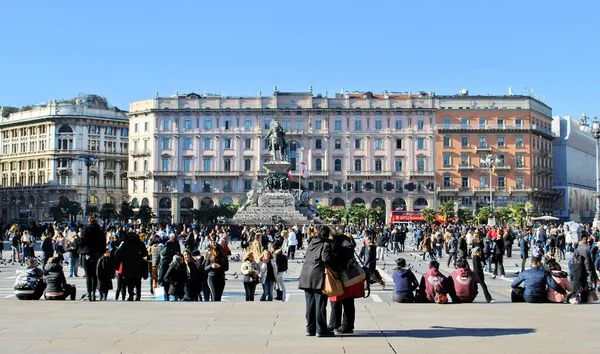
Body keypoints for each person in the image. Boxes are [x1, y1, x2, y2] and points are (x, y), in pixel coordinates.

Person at [298, 225, 335, 337]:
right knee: (320, 304)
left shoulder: (312, 242)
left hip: (305, 274)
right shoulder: (326, 244)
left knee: (309, 303)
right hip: (317, 275)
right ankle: (321, 329)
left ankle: (310, 328)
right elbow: (325, 258)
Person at [328, 231, 363, 334]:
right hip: (350, 276)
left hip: (339, 276)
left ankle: (334, 324)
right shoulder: (347, 244)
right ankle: (348, 326)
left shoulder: (335, 244)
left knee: (335, 301)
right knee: (349, 302)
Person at [78, 216, 106, 301]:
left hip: (86, 253)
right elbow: (103, 242)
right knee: (94, 275)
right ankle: (94, 294)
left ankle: (89, 294)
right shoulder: (100, 230)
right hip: (96, 254)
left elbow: (82, 241)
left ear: (89, 221)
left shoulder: (86, 229)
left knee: (88, 275)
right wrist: (101, 252)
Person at [114, 231, 148, 301]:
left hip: (127, 265)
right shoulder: (140, 244)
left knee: (129, 281)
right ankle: (138, 296)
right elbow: (145, 254)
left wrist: (117, 266)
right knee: (138, 281)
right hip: (138, 265)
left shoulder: (125, 245)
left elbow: (119, 256)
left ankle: (131, 295)